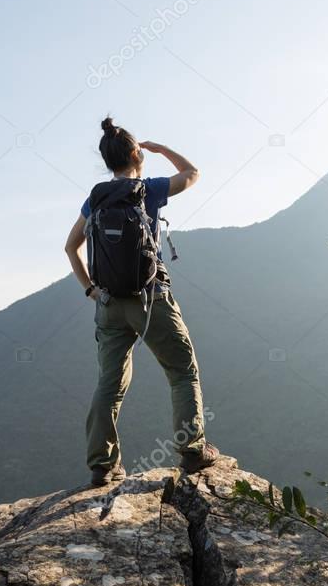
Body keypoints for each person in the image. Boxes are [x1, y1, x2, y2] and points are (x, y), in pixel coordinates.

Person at [65, 116, 219, 486]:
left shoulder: (96, 199)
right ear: (136, 153)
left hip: (109, 304)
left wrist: (91, 290)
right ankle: (193, 451)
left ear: (107, 161)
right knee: (182, 371)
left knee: (110, 383)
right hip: (151, 298)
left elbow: (71, 246)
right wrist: (161, 149)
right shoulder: (149, 189)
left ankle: (102, 466)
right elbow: (193, 172)